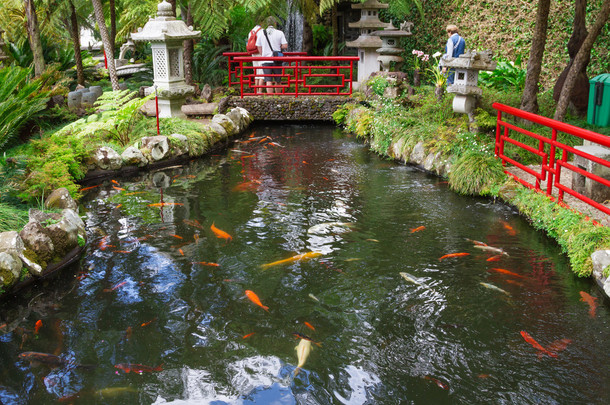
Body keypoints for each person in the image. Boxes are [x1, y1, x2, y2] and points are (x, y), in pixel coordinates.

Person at [256, 16, 288, 94]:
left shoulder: (261, 33)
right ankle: (277, 96)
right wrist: (279, 46)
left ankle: (270, 97)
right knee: (278, 80)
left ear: (267, 24)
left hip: (266, 60)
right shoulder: (279, 33)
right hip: (277, 59)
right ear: (275, 23)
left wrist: (262, 54)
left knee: (268, 80)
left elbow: (258, 46)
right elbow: (285, 46)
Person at [247, 22, 264, 94]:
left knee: (256, 74)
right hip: (260, 54)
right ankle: (260, 92)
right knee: (262, 74)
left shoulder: (251, 32)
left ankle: (256, 91)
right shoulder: (262, 31)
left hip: (253, 54)